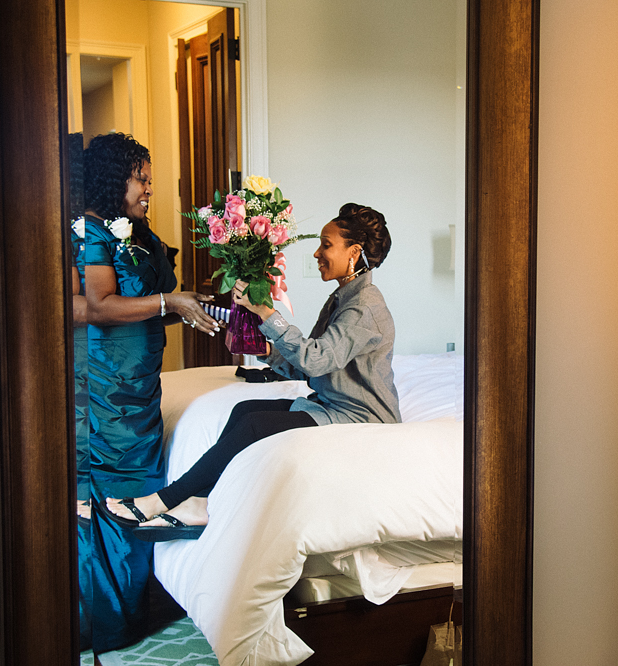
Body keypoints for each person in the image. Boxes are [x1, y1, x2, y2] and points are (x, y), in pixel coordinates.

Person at [105, 203, 400, 540]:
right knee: (244, 410)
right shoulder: (343, 298)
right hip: (331, 405)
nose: (317, 252)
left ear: (354, 252)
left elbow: (316, 360)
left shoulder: (364, 307)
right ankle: (199, 503)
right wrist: (265, 350)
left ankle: (163, 500)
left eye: (326, 244)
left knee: (255, 424)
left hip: (361, 418)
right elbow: (308, 366)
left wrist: (266, 313)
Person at [82, 132, 219, 652]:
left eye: (150, 180)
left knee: (138, 492)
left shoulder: (135, 233)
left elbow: (162, 298)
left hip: (140, 384)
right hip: (110, 385)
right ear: (114, 178)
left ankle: (131, 612)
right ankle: (108, 625)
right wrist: (170, 303)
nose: (148, 189)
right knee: (119, 498)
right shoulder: (90, 232)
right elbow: (97, 304)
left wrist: (201, 303)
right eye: (141, 178)